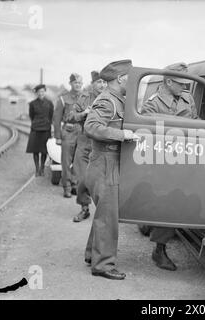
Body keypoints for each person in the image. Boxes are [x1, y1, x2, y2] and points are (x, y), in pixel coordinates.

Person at [84, 59, 138, 280]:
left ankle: (91, 254)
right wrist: (122, 135)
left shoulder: (118, 100)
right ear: (120, 79)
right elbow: (91, 126)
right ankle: (103, 265)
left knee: (103, 213)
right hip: (105, 162)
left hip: (108, 161)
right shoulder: (108, 101)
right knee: (108, 216)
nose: (132, 81)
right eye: (130, 77)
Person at [141, 62, 197, 271]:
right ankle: (159, 249)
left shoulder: (187, 99)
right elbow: (147, 131)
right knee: (168, 202)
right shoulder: (152, 103)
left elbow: (197, 124)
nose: (185, 87)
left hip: (185, 159)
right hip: (161, 162)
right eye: (181, 83)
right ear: (168, 81)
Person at [66, 71, 106, 223]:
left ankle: (104, 212)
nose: (102, 85)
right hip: (84, 143)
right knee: (82, 179)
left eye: (104, 82)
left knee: (102, 181)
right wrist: (84, 113)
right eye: (99, 82)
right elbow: (70, 116)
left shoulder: (110, 99)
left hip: (102, 144)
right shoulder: (84, 97)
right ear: (93, 83)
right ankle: (84, 209)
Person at [53, 73, 83, 198]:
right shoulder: (63, 98)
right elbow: (56, 119)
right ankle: (67, 186)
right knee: (66, 162)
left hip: (81, 132)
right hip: (68, 131)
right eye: (76, 82)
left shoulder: (84, 97)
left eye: (80, 83)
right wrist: (58, 137)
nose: (78, 85)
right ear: (70, 83)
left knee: (78, 161)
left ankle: (75, 185)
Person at [25, 84, 54, 176]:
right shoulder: (32, 104)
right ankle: (37, 169)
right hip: (36, 129)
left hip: (46, 128)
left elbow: (51, 115)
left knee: (44, 150)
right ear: (36, 93)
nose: (41, 93)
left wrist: (48, 123)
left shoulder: (49, 103)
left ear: (44, 92)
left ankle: (42, 169)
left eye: (42, 91)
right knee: (36, 150)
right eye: (39, 92)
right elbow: (31, 116)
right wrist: (36, 122)